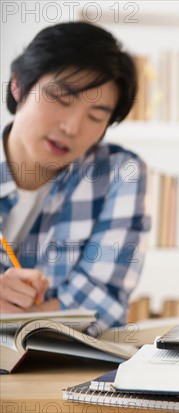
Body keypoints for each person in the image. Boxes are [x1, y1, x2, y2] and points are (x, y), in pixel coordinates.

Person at [0, 22, 150, 334]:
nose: (72, 127)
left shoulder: (119, 173)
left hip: (56, 372)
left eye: (95, 117)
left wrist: (14, 319)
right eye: (61, 99)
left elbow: (102, 303)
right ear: (18, 85)